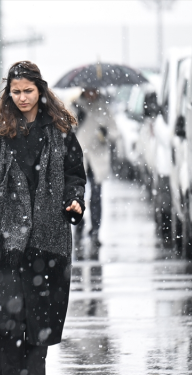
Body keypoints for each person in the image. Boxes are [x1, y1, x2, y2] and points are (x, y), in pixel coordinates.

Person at [0, 61, 86, 375]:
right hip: (6, 232)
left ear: (40, 90)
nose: (21, 97)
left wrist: (74, 200)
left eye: (27, 91)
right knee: (9, 313)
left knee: (41, 313)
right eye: (15, 91)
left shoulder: (59, 128)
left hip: (49, 233)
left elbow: (76, 172)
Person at [72, 87, 119, 255]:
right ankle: (79, 225)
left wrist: (105, 134)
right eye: (88, 90)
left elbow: (115, 132)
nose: (92, 93)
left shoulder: (103, 108)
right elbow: (66, 130)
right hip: (79, 158)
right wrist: (77, 122)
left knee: (97, 196)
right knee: (77, 196)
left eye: (94, 90)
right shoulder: (75, 106)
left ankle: (95, 231)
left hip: (97, 159)